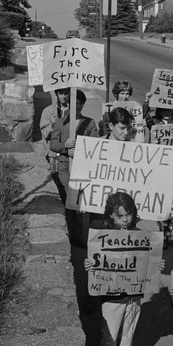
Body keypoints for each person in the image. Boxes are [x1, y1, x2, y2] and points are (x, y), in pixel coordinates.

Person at [85, 192, 164, 346]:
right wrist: (90, 265)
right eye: (121, 216)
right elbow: (96, 261)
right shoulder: (103, 237)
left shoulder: (140, 235)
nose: (125, 219)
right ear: (112, 215)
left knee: (128, 334)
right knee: (109, 339)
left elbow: (148, 261)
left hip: (134, 296)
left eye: (128, 215)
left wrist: (157, 264)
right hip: (112, 297)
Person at [50, 90, 99, 242]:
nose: (77, 106)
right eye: (74, 103)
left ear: (83, 104)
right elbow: (53, 145)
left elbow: (95, 144)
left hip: (82, 166)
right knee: (68, 196)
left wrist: (78, 150)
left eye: (80, 104)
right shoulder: (60, 122)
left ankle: (79, 235)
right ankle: (68, 232)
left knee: (80, 201)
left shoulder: (89, 122)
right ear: (69, 104)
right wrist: (65, 145)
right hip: (65, 166)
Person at [39, 87, 70, 174]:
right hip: (53, 153)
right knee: (55, 177)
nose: (64, 96)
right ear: (56, 94)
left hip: (68, 152)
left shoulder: (73, 110)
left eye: (66, 93)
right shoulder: (48, 111)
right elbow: (45, 135)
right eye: (61, 93)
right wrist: (51, 125)